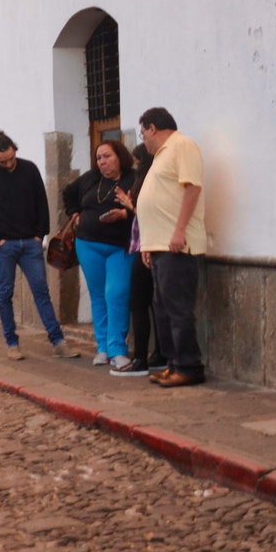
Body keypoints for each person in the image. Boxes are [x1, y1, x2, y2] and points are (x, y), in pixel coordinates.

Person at [0, 131, 76, 362]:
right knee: (5, 294)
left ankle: (58, 341)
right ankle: (12, 343)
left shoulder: (29, 170)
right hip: (5, 246)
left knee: (41, 292)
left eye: (11, 158)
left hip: (31, 243)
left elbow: (42, 202)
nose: (9, 164)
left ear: (15, 151)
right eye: (3, 161)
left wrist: (40, 235)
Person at [136, 108, 207, 388]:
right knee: (163, 308)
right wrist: (148, 244)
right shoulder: (161, 155)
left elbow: (192, 188)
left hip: (177, 246)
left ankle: (189, 366)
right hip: (160, 246)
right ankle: (174, 363)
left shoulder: (182, 145)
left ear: (153, 128)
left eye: (143, 134)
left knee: (178, 309)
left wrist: (179, 231)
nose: (143, 140)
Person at [60, 139, 136, 373]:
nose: (102, 162)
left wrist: (125, 213)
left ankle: (118, 350)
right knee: (98, 296)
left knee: (117, 293)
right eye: (99, 158)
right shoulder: (91, 178)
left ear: (120, 157)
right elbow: (68, 193)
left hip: (120, 246)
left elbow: (143, 206)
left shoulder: (133, 179)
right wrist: (75, 213)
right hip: (88, 244)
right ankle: (102, 347)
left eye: (107, 157)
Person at [122, 145, 163, 379]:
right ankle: (159, 354)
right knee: (154, 304)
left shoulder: (148, 182)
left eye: (138, 162)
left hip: (145, 246)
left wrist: (130, 206)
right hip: (146, 245)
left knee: (138, 303)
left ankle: (140, 359)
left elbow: (148, 213)